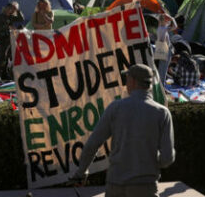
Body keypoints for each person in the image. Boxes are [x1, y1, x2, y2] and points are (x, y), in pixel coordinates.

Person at [70, 65, 174, 196]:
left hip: (116, 186)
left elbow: (92, 144)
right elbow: (167, 158)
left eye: (127, 79)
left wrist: (81, 173)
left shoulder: (115, 108)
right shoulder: (162, 113)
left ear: (133, 82)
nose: (126, 83)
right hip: (146, 187)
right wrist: (147, 161)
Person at [0, 2, 25, 80]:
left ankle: (4, 74)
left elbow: (21, 19)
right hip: (3, 39)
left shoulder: (11, 17)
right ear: (7, 8)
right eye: (11, 9)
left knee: (8, 57)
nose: (11, 11)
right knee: (2, 57)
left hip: (10, 38)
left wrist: (18, 10)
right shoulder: (0, 17)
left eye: (13, 9)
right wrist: (8, 27)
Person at [154, 14, 177, 86]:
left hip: (160, 48)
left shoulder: (159, 28)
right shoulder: (164, 28)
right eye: (166, 20)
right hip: (165, 48)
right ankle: (162, 87)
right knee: (163, 70)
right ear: (164, 21)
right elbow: (175, 26)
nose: (167, 21)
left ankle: (160, 85)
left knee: (161, 68)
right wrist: (172, 18)